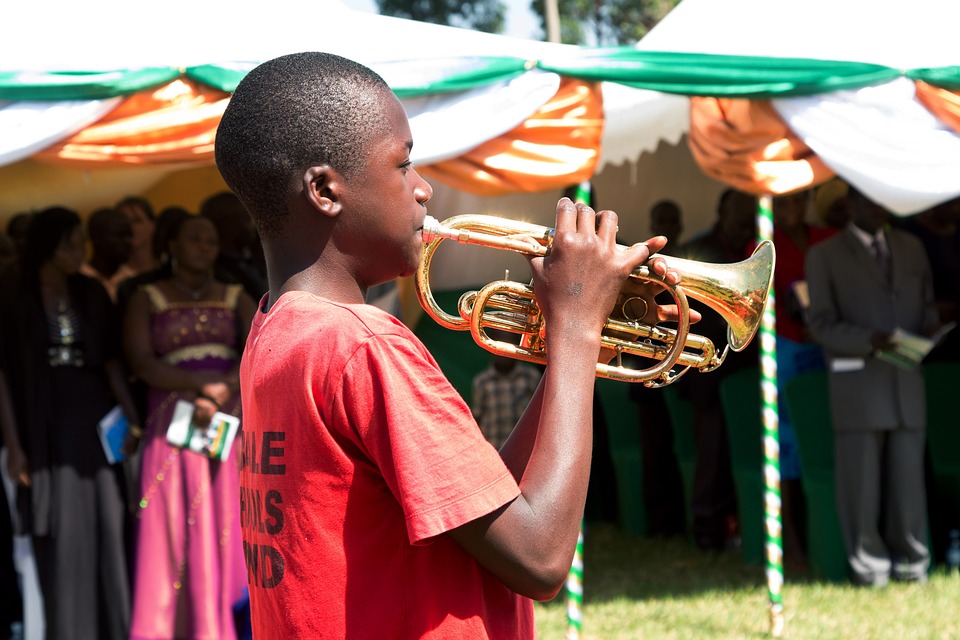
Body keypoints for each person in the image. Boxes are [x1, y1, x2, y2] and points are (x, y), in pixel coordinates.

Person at [213, 51, 685, 638]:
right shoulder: (366, 346)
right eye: (403, 164)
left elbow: (488, 509)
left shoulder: (276, 330)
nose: (423, 188)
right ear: (326, 189)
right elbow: (540, 558)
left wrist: (589, 348)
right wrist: (576, 328)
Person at [0, 205, 138, 640]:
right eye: (71, 242)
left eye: (82, 240)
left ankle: (114, 628)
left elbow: (113, 363)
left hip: (95, 418)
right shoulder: (12, 293)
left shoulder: (91, 292)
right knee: (59, 530)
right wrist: (15, 446)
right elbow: (2, 374)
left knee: (109, 522)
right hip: (42, 422)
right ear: (48, 245)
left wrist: (133, 422)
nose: (81, 250)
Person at [122, 213, 256, 640]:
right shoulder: (147, 297)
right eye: (195, 239)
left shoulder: (235, 295)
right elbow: (141, 362)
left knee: (226, 517)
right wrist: (203, 386)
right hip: (171, 422)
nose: (205, 246)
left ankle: (226, 623)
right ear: (171, 246)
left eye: (211, 239)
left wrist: (221, 391)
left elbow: (260, 347)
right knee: (171, 521)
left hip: (225, 419)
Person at [806, 186, 940, 587]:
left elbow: (927, 302)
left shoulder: (912, 246)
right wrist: (869, 340)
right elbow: (821, 325)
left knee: (909, 482)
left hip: (906, 380)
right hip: (859, 383)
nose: (879, 205)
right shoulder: (824, 256)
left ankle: (913, 564)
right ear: (850, 204)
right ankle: (869, 568)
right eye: (869, 198)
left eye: (884, 197)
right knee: (860, 485)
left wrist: (932, 328)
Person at [751, 189, 835, 569]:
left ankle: (827, 536)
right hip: (784, 350)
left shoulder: (825, 238)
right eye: (784, 202)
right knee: (787, 449)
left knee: (822, 440)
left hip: (826, 349)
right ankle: (793, 546)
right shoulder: (763, 246)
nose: (792, 209)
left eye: (798, 200)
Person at [678, 188, 758, 551]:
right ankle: (708, 532)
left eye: (749, 222)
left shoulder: (748, 252)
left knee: (735, 451)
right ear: (722, 212)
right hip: (707, 374)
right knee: (712, 455)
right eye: (740, 220)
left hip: (740, 369)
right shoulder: (701, 251)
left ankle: (735, 525)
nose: (745, 228)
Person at [627, 199, 687, 537]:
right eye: (661, 219)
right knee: (655, 452)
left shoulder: (689, 260)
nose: (668, 225)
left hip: (680, 374)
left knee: (679, 449)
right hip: (648, 371)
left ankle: (679, 520)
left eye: (672, 219)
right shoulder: (645, 265)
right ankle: (660, 524)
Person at [470, 329, 543, 450]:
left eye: (508, 345)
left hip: (523, 452)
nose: (503, 352)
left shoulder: (530, 377)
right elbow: (477, 421)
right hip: (494, 453)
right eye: (500, 346)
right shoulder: (482, 382)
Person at [200, 191, 268, 301]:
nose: (253, 226)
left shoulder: (253, 260)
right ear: (227, 224)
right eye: (247, 219)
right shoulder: (212, 271)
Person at [81, 206, 135, 302]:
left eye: (129, 235)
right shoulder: (78, 281)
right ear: (96, 238)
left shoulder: (133, 281)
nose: (128, 241)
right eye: (119, 235)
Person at [116, 196, 158, 277]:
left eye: (137, 220)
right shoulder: (116, 278)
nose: (131, 227)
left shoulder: (170, 270)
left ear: (153, 225)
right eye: (124, 221)